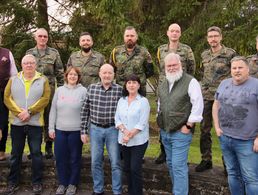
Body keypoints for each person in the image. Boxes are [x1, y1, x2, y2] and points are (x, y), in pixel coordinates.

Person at [157, 53, 203, 195]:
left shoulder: (191, 81)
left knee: (178, 166)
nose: (171, 68)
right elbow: (160, 104)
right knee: (170, 164)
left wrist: (189, 125)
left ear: (180, 65)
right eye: (168, 66)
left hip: (181, 132)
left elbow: (198, 104)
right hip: (165, 131)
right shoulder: (163, 83)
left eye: (174, 65)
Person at [4, 54, 50, 195]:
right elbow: (7, 98)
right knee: (15, 154)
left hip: (35, 123)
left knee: (36, 153)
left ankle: (36, 183)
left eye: (31, 63)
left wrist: (29, 111)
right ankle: (12, 183)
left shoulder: (43, 79)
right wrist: (20, 113)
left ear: (35, 65)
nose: (28, 65)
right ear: (22, 65)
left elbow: (45, 98)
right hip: (17, 123)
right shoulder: (13, 79)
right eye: (26, 63)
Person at [212, 56, 258, 195]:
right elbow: (216, 104)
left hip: (247, 141)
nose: (237, 71)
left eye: (240, 68)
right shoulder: (224, 83)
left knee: (251, 179)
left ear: (247, 70)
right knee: (232, 174)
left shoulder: (256, 84)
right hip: (226, 138)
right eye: (234, 68)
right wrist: (217, 127)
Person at [196, 26, 237, 172]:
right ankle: (206, 159)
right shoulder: (204, 55)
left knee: (226, 130)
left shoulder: (230, 54)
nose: (213, 39)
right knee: (204, 130)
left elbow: (235, 73)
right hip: (207, 97)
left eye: (215, 36)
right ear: (207, 39)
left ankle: (228, 164)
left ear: (221, 37)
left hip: (224, 98)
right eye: (210, 36)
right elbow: (204, 75)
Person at [155, 23, 196, 164]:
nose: (174, 33)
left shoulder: (186, 49)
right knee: (163, 117)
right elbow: (160, 68)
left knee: (180, 115)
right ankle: (163, 152)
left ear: (180, 33)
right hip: (164, 88)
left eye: (177, 31)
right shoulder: (161, 49)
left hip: (180, 87)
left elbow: (191, 69)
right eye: (172, 31)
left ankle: (181, 154)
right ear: (167, 33)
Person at [81, 64, 122, 195]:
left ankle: (117, 191)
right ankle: (98, 190)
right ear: (99, 74)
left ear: (113, 75)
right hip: (95, 129)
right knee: (95, 161)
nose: (107, 75)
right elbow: (84, 110)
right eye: (104, 73)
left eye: (110, 73)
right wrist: (83, 131)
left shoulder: (119, 90)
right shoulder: (91, 88)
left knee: (115, 162)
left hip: (113, 130)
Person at [26, 28, 64, 159]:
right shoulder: (30, 53)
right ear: (35, 38)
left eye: (45, 36)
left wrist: (62, 91)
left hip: (50, 90)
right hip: (33, 91)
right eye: (40, 36)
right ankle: (33, 148)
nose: (43, 38)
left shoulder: (54, 53)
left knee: (49, 117)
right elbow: (26, 71)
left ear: (47, 38)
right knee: (33, 117)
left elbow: (59, 72)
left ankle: (49, 146)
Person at [48, 66, 87, 195]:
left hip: (76, 131)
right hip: (60, 130)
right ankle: (62, 183)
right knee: (60, 158)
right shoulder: (59, 91)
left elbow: (87, 112)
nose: (72, 77)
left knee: (75, 158)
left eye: (75, 75)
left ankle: (72, 184)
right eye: (70, 74)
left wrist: (84, 131)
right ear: (66, 76)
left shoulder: (83, 91)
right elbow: (53, 109)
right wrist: (51, 128)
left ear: (78, 77)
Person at [115, 74, 150, 195]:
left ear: (139, 85)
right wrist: (124, 132)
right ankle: (131, 192)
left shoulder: (143, 101)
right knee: (127, 169)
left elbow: (142, 123)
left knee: (135, 169)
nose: (131, 85)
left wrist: (129, 135)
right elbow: (117, 119)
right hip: (123, 140)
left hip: (138, 141)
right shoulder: (121, 100)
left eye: (134, 82)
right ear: (126, 85)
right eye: (129, 82)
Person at [110, 26, 154, 96]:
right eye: (127, 36)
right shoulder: (116, 52)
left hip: (139, 91)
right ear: (124, 37)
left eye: (132, 36)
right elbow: (111, 71)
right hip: (121, 90)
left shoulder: (144, 52)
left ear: (136, 37)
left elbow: (150, 71)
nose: (129, 38)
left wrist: (139, 80)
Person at [0, 46, 17, 161]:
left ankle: (1, 151)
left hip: (3, 93)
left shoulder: (7, 53)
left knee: (3, 121)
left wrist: (11, 92)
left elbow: (14, 75)